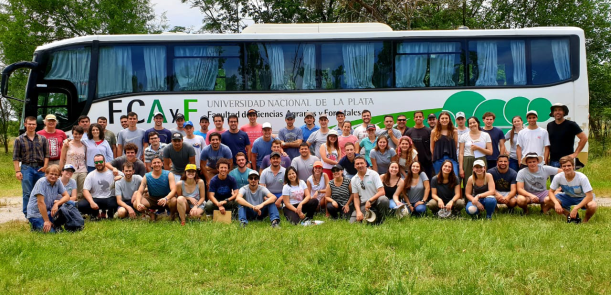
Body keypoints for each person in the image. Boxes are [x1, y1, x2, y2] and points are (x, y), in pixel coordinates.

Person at [13, 116, 49, 217]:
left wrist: (45, 166)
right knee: (27, 193)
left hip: (40, 168)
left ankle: (41, 212)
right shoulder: (19, 140)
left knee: (41, 192)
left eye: (33, 124)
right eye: (29, 124)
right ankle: (28, 214)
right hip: (26, 168)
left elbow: (47, 154)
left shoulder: (42, 139)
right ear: (25, 124)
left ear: (36, 125)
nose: (31, 126)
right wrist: (17, 171)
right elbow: (15, 157)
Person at [548, 156, 597, 222]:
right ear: (561, 167)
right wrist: (556, 203)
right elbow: (550, 192)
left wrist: (576, 208)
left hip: (582, 197)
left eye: (569, 166)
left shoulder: (582, 177)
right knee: (547, 200)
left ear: (573, 166)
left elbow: (589, 196)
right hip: (568, 196)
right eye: (564, 166)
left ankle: (585, 220)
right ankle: (568, 215)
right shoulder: (558, 177)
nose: (567, 168)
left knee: (592, 205)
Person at [26, 164, 71, 233]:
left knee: (61, 230)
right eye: (51, 174)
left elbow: (67, 196)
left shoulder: (58, 182)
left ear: (59, 176)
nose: (53, 176)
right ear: (46, 174)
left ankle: (39, 226)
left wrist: (56, 204)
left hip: (48, 212)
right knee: (52, 232)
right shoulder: (41, 182)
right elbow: (40, 202)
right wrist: (46, 221)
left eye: (56, 175)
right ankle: (35, 224)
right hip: (36, 214)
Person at [78, 154, 122, 219]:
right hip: (95, 198)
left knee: (113, 204)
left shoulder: (112, 172)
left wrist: (119, 176)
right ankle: (95, 213)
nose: (99, 164)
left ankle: (107, 214)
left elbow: (125, 176)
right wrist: (91, 202)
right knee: (81, 205)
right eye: (96, 162)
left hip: (109, 197)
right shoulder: (91, 175)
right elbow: (85, 191)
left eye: (101, 162)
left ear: (104, 162)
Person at [134, 156, 178, 221]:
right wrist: (138, 204)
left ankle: (172, 215)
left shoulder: (169, 174)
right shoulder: (147, 176)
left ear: (162, 164)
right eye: (154, 163)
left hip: (166, 198)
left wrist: (166, 198)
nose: (156, 164)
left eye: (158, 162)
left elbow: (174, 189)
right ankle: (150, 214)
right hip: (152, 199)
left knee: (174, 200)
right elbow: (140, 191)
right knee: (135, 203)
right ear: (151, 165)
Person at [547, 103, 588, 168]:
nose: (557, 112)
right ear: (553, 113)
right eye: (555, 110)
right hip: (553, 161)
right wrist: (547, 159)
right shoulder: (550, 125)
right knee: (554, 178)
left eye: (560, 110)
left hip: (567, 161)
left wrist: (575, 154)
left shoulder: (571, 124)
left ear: (564, 112)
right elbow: (549, 143)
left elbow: (584, 138)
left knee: (568, 178)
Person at [350, 156, 389, 224]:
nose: (360, 165)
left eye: (361, 163)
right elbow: (356, 197)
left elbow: (382, 191)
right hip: (364, 204)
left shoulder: (374, 174)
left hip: (376, 201)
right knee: (352, 223)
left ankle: (382, 219)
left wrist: (370, 200)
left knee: (384, 200)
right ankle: (372, 217)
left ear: (365, 164)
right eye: (357, 164)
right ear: (354, 166)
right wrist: (358, 211)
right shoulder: (354, 179)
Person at [459, 116, 492, 187]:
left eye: (474, 122)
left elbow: (490, 152)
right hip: (467, 160)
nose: (472, 124)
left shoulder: (485, 135)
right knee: (468, 181)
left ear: (478, 123)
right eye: (470, 123)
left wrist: (478, 148)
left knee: (482, 179)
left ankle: (481, 196)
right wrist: (461, 168)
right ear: (468, 125)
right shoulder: (464, 136)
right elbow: (461, 153)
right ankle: (468, 197)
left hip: (481, 159)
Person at [59, 126, 87, 200]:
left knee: (81, 191)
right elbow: (62, 159)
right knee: (71, 191)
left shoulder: (84, 145)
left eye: (80, 134)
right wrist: (61, 171)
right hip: (70, 171)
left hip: (82, 171)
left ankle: (80, 208)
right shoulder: (67, 144)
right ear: (72, 134)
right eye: (75, 134)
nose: (77, 136)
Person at [405, 111, 433, 179]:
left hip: (427, 163)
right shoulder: (409, 132)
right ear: (414, 119)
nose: (418, 118)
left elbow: (433, 146)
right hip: (414, 163)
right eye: (416, 117)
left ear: (423, 118)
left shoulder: (429, 131)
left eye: (420, 116)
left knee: (428, 181)